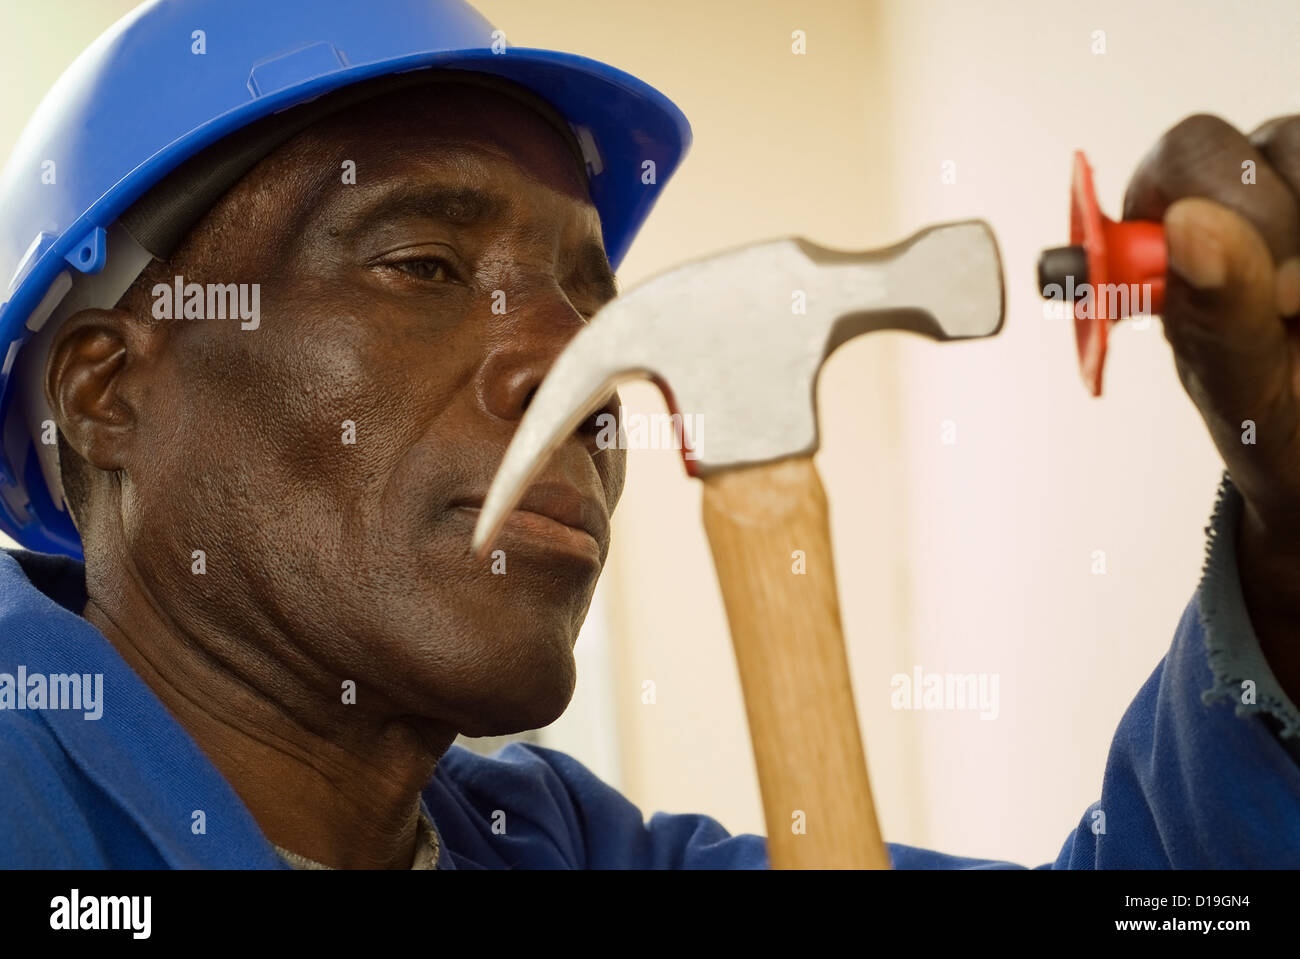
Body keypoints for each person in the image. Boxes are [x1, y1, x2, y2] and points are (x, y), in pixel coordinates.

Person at [0, 0, 1297, 870]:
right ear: (107, 393)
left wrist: (1289, 564)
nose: (579, 365)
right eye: (425, 266)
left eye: (594, 304)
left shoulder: (553, 845)